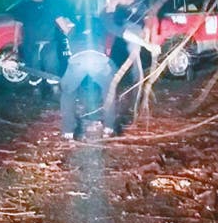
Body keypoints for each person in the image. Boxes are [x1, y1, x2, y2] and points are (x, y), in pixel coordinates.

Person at [59, 8, 159, 140]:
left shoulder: (73, 27)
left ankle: (67, 131)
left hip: (77, 61)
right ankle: (109, 127)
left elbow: (60, 20)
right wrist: (147, 44)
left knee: (67, 91)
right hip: (98, 59)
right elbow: (124, 33)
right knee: (109, 88)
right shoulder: (104, 23)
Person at [8, 0, 73, 85]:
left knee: (52, 72)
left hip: (49, 44)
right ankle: (35, 88)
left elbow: (61, 22)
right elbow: (18, 25)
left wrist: (72, 37)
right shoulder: (24, 7)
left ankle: (54, 90)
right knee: (33, 72)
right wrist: (15, 43)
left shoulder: (51, 6)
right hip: (30, 44)